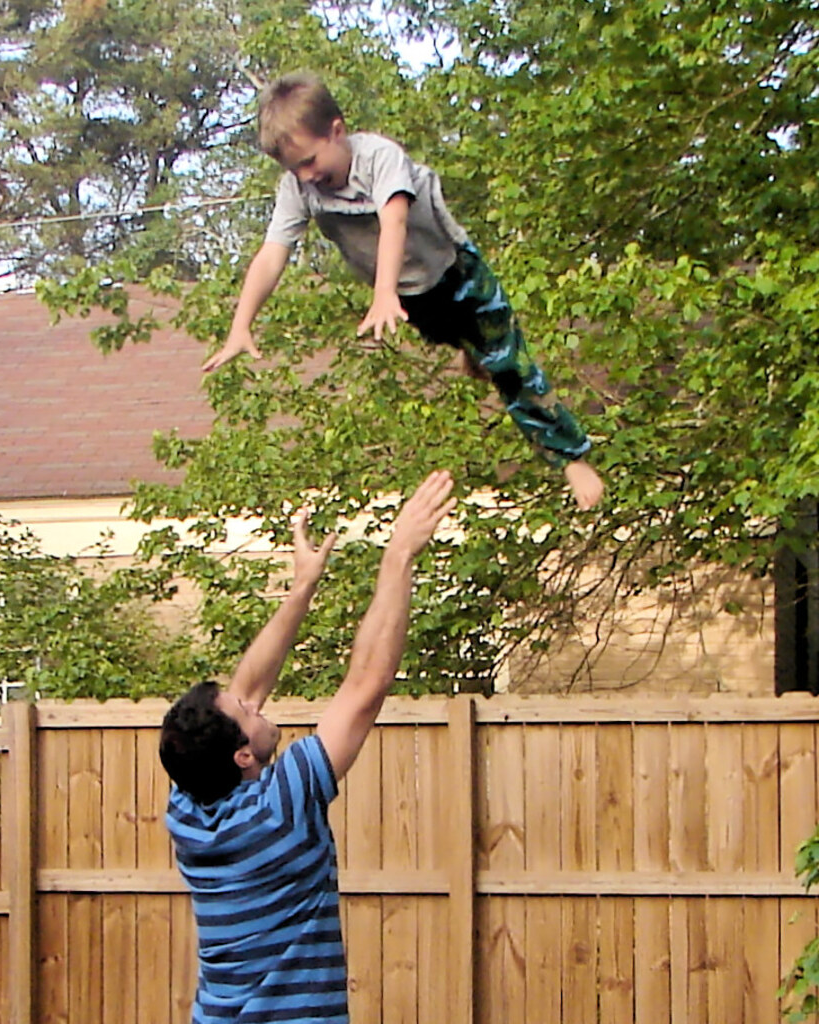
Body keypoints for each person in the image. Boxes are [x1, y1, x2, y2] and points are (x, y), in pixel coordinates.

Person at [201, 71, 604, 511]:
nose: (307, 175)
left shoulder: (380, 158)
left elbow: (393, 221)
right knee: (468, 343)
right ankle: (471, 348)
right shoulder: (299, 187)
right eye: (294, 168)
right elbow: (272, 253)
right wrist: (241, 326)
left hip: (456, 275)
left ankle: (571, 456)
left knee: (510, 365)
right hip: (411, 299)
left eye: (311, 161)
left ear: (336, 131)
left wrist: (382, 292)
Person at [159, 470, 457, 1024]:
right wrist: (398, 554)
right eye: (246, 713)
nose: (255, 703)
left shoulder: (187, 811)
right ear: (242, 757)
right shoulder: (280, 806)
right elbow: (366, 685)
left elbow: (246, 690)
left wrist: (303, 587)